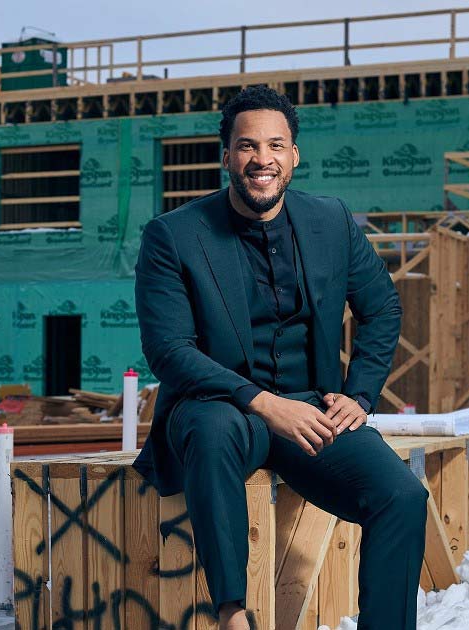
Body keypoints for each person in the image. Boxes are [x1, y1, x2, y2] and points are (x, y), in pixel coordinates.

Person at [133, 85, 426, 630]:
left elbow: (382, 308)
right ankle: (231, 613)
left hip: (313, 412)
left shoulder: (331, 221)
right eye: (246, 146)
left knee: (402, 496)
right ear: (226, 157)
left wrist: (359, 395)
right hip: (219, 407)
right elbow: (169, 352)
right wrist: (264, 403)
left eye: (275, 145)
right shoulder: (172, 237)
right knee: (214, 427)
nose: (261, 159)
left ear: (294, 155)